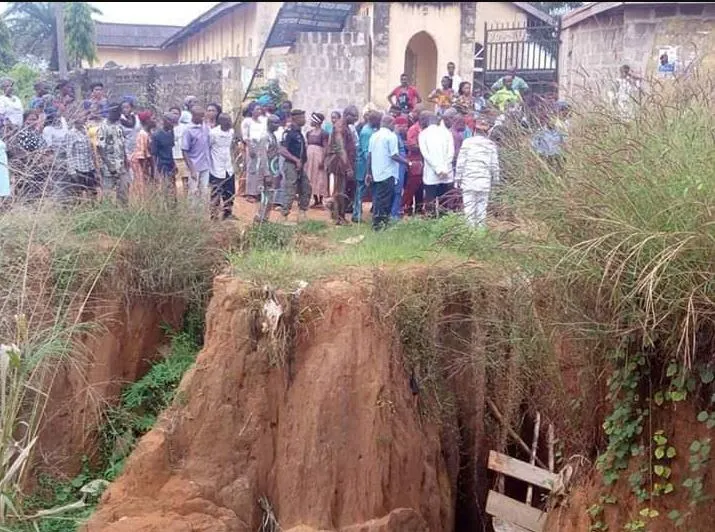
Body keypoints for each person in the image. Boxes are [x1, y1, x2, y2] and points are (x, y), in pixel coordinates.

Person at [366, 114, 410, 231]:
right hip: (388, 173)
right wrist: (406, 162)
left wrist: (368, 173)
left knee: (378, 199)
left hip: (376, 173)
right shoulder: (391, 136)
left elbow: (369, 156)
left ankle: (377, 224)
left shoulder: (374, 136)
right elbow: (394, 155)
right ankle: (380, 226)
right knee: (385, 201)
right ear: (390, 124)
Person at [455, 118, 500, 227]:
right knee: (481, 209)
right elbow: (494, 165)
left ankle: (470, 233)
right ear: (486, 132)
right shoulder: (491, 145)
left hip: (468, 180)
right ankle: (480, 232)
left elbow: (461, 163)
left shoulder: (467, 142)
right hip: (484, 181)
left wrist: (457, 179)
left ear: (474, 130)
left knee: (469, 209)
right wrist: (496, 181)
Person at [325, 105, 357, 225]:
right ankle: (340, 217)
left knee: (340, 190)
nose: (356, 120)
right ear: (347, 115)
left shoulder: (346, 126)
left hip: (343, 162)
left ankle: (337, 215)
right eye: (354, 117)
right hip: (339, 163)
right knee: (340, 190)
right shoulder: (339, 127)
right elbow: (340, 148)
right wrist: (348, 167)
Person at [418, 112, 455, 216]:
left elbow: (426, 155)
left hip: (431, 174)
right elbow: (451, 153)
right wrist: (444, 168)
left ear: (428, 122)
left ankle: (431, 222)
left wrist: (437, 169)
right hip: (446, 173)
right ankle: (443, 223)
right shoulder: (447, 132)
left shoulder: (423, 134)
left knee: (430, 201)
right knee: (445, 201)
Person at [279, 109, 310, 225]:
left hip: (300, 166)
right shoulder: (289, 132)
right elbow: (282, 150)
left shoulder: (299, 132)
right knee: (290, 190)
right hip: (291, 165)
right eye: (302, 117)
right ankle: (284, 215)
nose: (304, 119)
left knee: (306, 188)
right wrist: (296, 160)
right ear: (295, 118)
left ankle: (302, 214)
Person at [97, 103, 131, 204]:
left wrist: (125, 159)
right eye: (117, 113)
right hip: (109, 168)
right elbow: (100, 147)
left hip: (121, 166)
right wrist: (110, 165)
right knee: (107, 193)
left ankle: (123, 214)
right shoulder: (103, 127)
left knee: (124, 191)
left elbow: (121, 144)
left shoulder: (118, 126)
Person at [181, 105, 211, 204]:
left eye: (203, 116)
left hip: (205, 165)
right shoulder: (188, 130)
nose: (203, 118)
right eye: (200, 116)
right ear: (194, 116)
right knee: (193, 192)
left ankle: (201, 214)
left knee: (204, 191)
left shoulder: (205, 127)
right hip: (194, 165)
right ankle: (191, 215)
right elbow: (184, 150)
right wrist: (192, 169)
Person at [354, 110, 381, 223]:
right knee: (361, 190)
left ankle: (376, 213)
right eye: (378, 120)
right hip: (364, 165)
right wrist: (371, 166)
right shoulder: (366, 132)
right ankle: (356, 215)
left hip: (369, 164)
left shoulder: (372, 130)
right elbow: (366, 152)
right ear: (373, 120)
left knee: (374, 189)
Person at [208, 113, 236, 220]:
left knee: (230, 192)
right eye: (227, 121)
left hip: (228, 167)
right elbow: (209, 147)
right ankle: (214, 216)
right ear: (221, 122)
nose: (230, 123)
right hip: (216, 167)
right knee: (216, 193)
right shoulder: (213, 133)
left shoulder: (231, 132)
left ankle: (227, 214)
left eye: (230, 120)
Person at [65, 114, 99, 199]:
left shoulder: (86, 130)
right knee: (81, 191)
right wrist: (72, 170)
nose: (80, 120)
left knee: (93, 189)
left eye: (81, 118)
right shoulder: (71, 134)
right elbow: (69, 152)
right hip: (78, 167)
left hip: (89, 165)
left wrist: (95, 164)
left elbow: (91, 148)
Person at [255, 114, 281, 224]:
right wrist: (266, 174)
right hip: (265, 172)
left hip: (272, 170)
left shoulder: (273, 136)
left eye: (278, 123)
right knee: (264, 197)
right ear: (269, 124)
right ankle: (259, 220)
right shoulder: (265, 137)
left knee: (270, 196)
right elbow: (263, 156)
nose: (278, 125)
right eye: (275, 123)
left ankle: (265, 219)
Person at [403, 111, 429, 216]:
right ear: (422, 119)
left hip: (425, 162)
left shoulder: (427, 130)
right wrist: (425, 148)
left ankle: (419, 208)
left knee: (421, 187)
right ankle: (406, 208)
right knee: (411, 186)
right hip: (415, 161)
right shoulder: (413, 129)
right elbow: (411, 145)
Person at [241, 103, 267, 200]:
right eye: (257, 109)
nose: (259, 111)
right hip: (252, 145)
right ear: (251, 111)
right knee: (252, 169)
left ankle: (258, 192)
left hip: (261, 146)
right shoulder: (247, 121)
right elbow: (245, 136)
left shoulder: (262, 122)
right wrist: (250, 148)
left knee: (260, 169)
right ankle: (250, 193)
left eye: (260, 109)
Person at [151, 112, 178, 198]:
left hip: (170, 165)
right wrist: (155, 170)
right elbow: (154, 154)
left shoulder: (171, 133)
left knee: (173, 188)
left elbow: (171, 149)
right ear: (165, 121)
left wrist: (174, 164)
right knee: (165, 188)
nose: (173, 124)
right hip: (162, 165)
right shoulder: (156, 135)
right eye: (171, 122)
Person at [305, 112, 329, 208]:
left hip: (319, 157)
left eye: (312, 120)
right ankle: (315, 199)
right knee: (311, 177)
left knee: (320, 178)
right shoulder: (309, 133)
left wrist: (323, 160)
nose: (310, 122)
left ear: (317, 122)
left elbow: (326, 147)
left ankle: (320, 200)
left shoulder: (324, 134)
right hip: (310, 159)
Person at [391, 115, 410, 220]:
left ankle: (395, 212)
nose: (406, 129)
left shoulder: (398, 137)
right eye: (405, 126)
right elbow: (395, 155)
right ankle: (394, 215)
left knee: (399, 191)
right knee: (397, 191)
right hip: (397, 167)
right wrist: (406, 162)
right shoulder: (394, 136)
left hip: (401, 167)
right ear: (399, 126)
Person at [170, 105, 190, 193]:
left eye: (177, 114)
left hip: (183, 157)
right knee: (173, 181)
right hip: (172, 158)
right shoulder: (167, 128)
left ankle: (185, 201)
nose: (175, 115)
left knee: (185, 180)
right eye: (173, 113)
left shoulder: (185, 127)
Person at [132, 110, 154, 189]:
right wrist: (145, 171)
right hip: (142, 166)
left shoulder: (149, 133)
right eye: (153, 118)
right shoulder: (142, 134)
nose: (154, 121)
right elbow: (141, 154)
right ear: (147, 120)